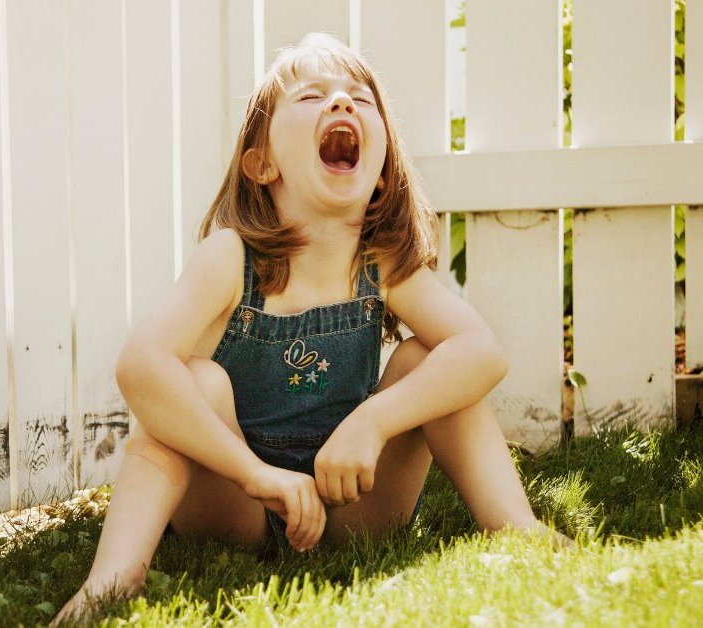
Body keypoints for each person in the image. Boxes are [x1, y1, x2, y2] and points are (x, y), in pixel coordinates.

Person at [53, 31, 571, 626]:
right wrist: (256, 474)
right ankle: (115, 577)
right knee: (196, 381)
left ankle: (515, 526)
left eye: (360, 97)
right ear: (263, 162)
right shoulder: (230, 257)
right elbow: (140, 367)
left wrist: (372, 422)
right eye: (310, 98)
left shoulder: (381, 262)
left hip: (353, 499)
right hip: (235, 503)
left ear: (380, 171)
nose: (342, 103)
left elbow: (483, 352)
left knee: (429, 358)